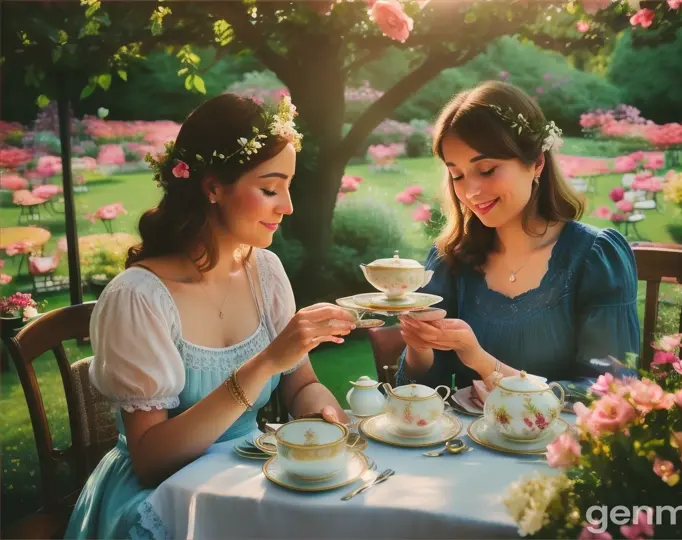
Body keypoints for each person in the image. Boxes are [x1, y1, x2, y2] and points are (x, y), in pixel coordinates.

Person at [65, 94, 357, 539]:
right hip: (163, 502)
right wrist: (265, 363)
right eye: (270, 188)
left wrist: (326, 419)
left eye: (289, 186)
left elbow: (302, 383)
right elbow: (151, 462)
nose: (288, 206)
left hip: (248, 479)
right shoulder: (138, 298)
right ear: (213, 186)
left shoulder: (266, 272)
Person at [396, 81, 640, 400]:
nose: (470, 191)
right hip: (469, 446)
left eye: (486, 170)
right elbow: (417, 395)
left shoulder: (595, 257)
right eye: (457, 175)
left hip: (562, 448)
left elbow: (613, 391)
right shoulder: (450, 260)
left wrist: (485, 364)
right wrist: (418, 347)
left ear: (536, 163)